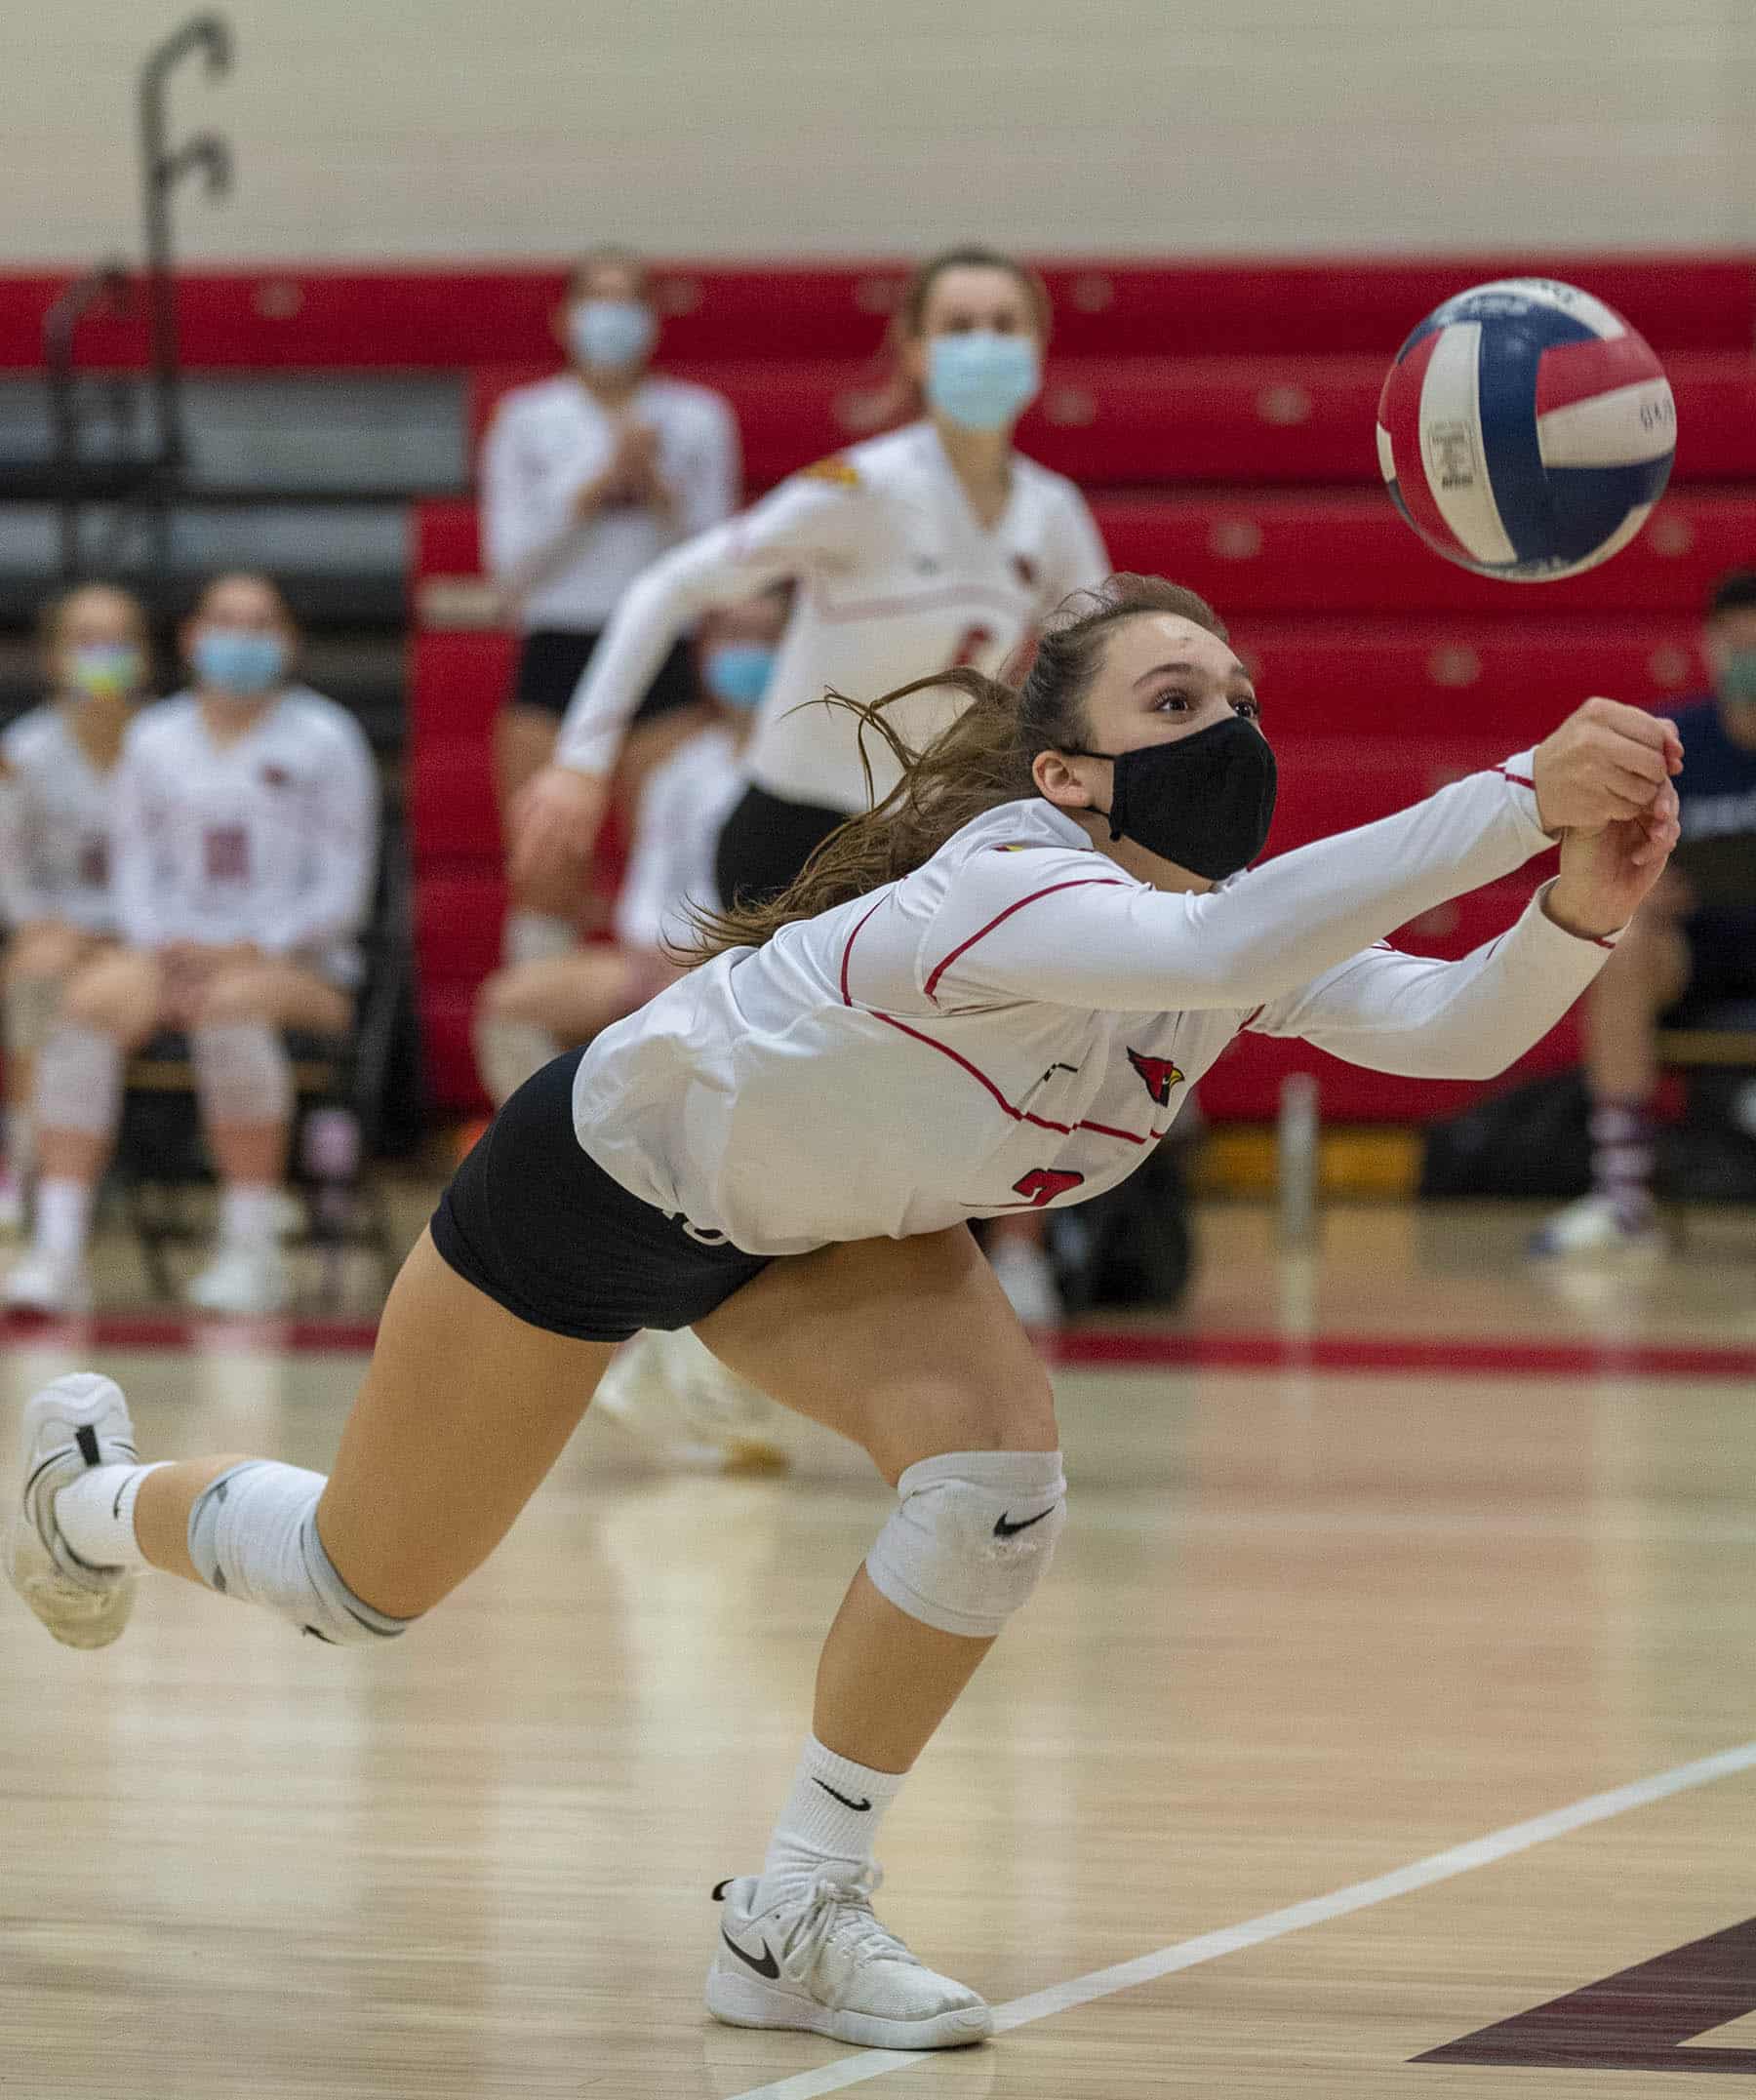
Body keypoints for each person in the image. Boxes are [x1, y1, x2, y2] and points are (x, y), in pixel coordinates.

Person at [6, 576, 1679, 2056]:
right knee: (359, 1585)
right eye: (1175, 700)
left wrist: (1582, 907)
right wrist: (1515, 797)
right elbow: (1234, 933)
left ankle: (796, 1912)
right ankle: (81, 1496)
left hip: (819, 1238)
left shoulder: (1208, 940)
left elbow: (1451, 1030)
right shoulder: (1007, 881)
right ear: (1064, 772)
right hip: (600, 1183)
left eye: (1240, 697)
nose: (1227, 729)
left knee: (997, 1475)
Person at [513, 242, 1112, 1335]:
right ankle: (659, 1320)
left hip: (921, 844)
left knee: (919, 1098)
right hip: (789, 838)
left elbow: (1100, 679)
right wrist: (582, 759)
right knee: (754, 1113)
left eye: (1006, 324)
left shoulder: (1052, 513)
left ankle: (941, 1303)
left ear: (1038, 349)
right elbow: (667, 585)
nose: (984, 346)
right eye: (960, 325)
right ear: (915, 351)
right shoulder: (862, 489)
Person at [3, 572, 378, 1318]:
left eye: (260, 623)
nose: (242, 637)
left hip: (296, 963)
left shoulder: (327, 737)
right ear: (192, 638)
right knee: (82, 1004)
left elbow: (343, 888)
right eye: (225, 621)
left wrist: (249, 946)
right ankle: (58, 1246)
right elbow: (136, 865)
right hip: (169, 951)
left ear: (289, 640)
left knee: (227, 1006)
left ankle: (251, 1248)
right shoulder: (155, 738)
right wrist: (161, 944)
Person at [476, 245, 740, 1092]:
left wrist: (657, 487)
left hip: (662, 654)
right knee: (545, 874)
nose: (612, 317)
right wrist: (590, 489)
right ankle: (532, 1101)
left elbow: (726, 559)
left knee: (679, 869)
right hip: (558, 650)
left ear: (653, 320)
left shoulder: (696, 417)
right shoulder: (527, 418)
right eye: (597, 298)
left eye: (630, 299)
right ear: (564, 318)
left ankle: (668, 1091)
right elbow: (507, 567)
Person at [471, 590, 786, 1107]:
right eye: (733, 635)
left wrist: (716, 955)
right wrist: (657, 953)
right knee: (512, 1003)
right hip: (668, 961)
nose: (747, 651)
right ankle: (564, 1143)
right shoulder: (682, 768)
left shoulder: (808, 770)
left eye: (764, 637)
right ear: (705, 650)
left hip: (768, 962)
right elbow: (651, 883)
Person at [1533, 568, 1756, 1256]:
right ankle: (1624, 1197)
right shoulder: (1668, 747)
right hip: (1691, 957)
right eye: (1737, 646)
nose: (1747, 662)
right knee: (1620, 946)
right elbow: (1602, 861)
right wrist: (1643, 888)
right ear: (1711, 648)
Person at [0, 583, 150, 1229]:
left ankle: (69, 1168)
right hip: (58, 931)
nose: (102, 656)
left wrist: (128, 934)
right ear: (54, 657)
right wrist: (51, 926)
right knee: (35, 968)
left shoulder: (168, 745)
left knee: (81, 986)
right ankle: (21, 1158)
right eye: (86, 640)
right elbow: (10, 870)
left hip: (150, 937)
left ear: (144, 654)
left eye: (117, 640)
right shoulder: (25, 750)